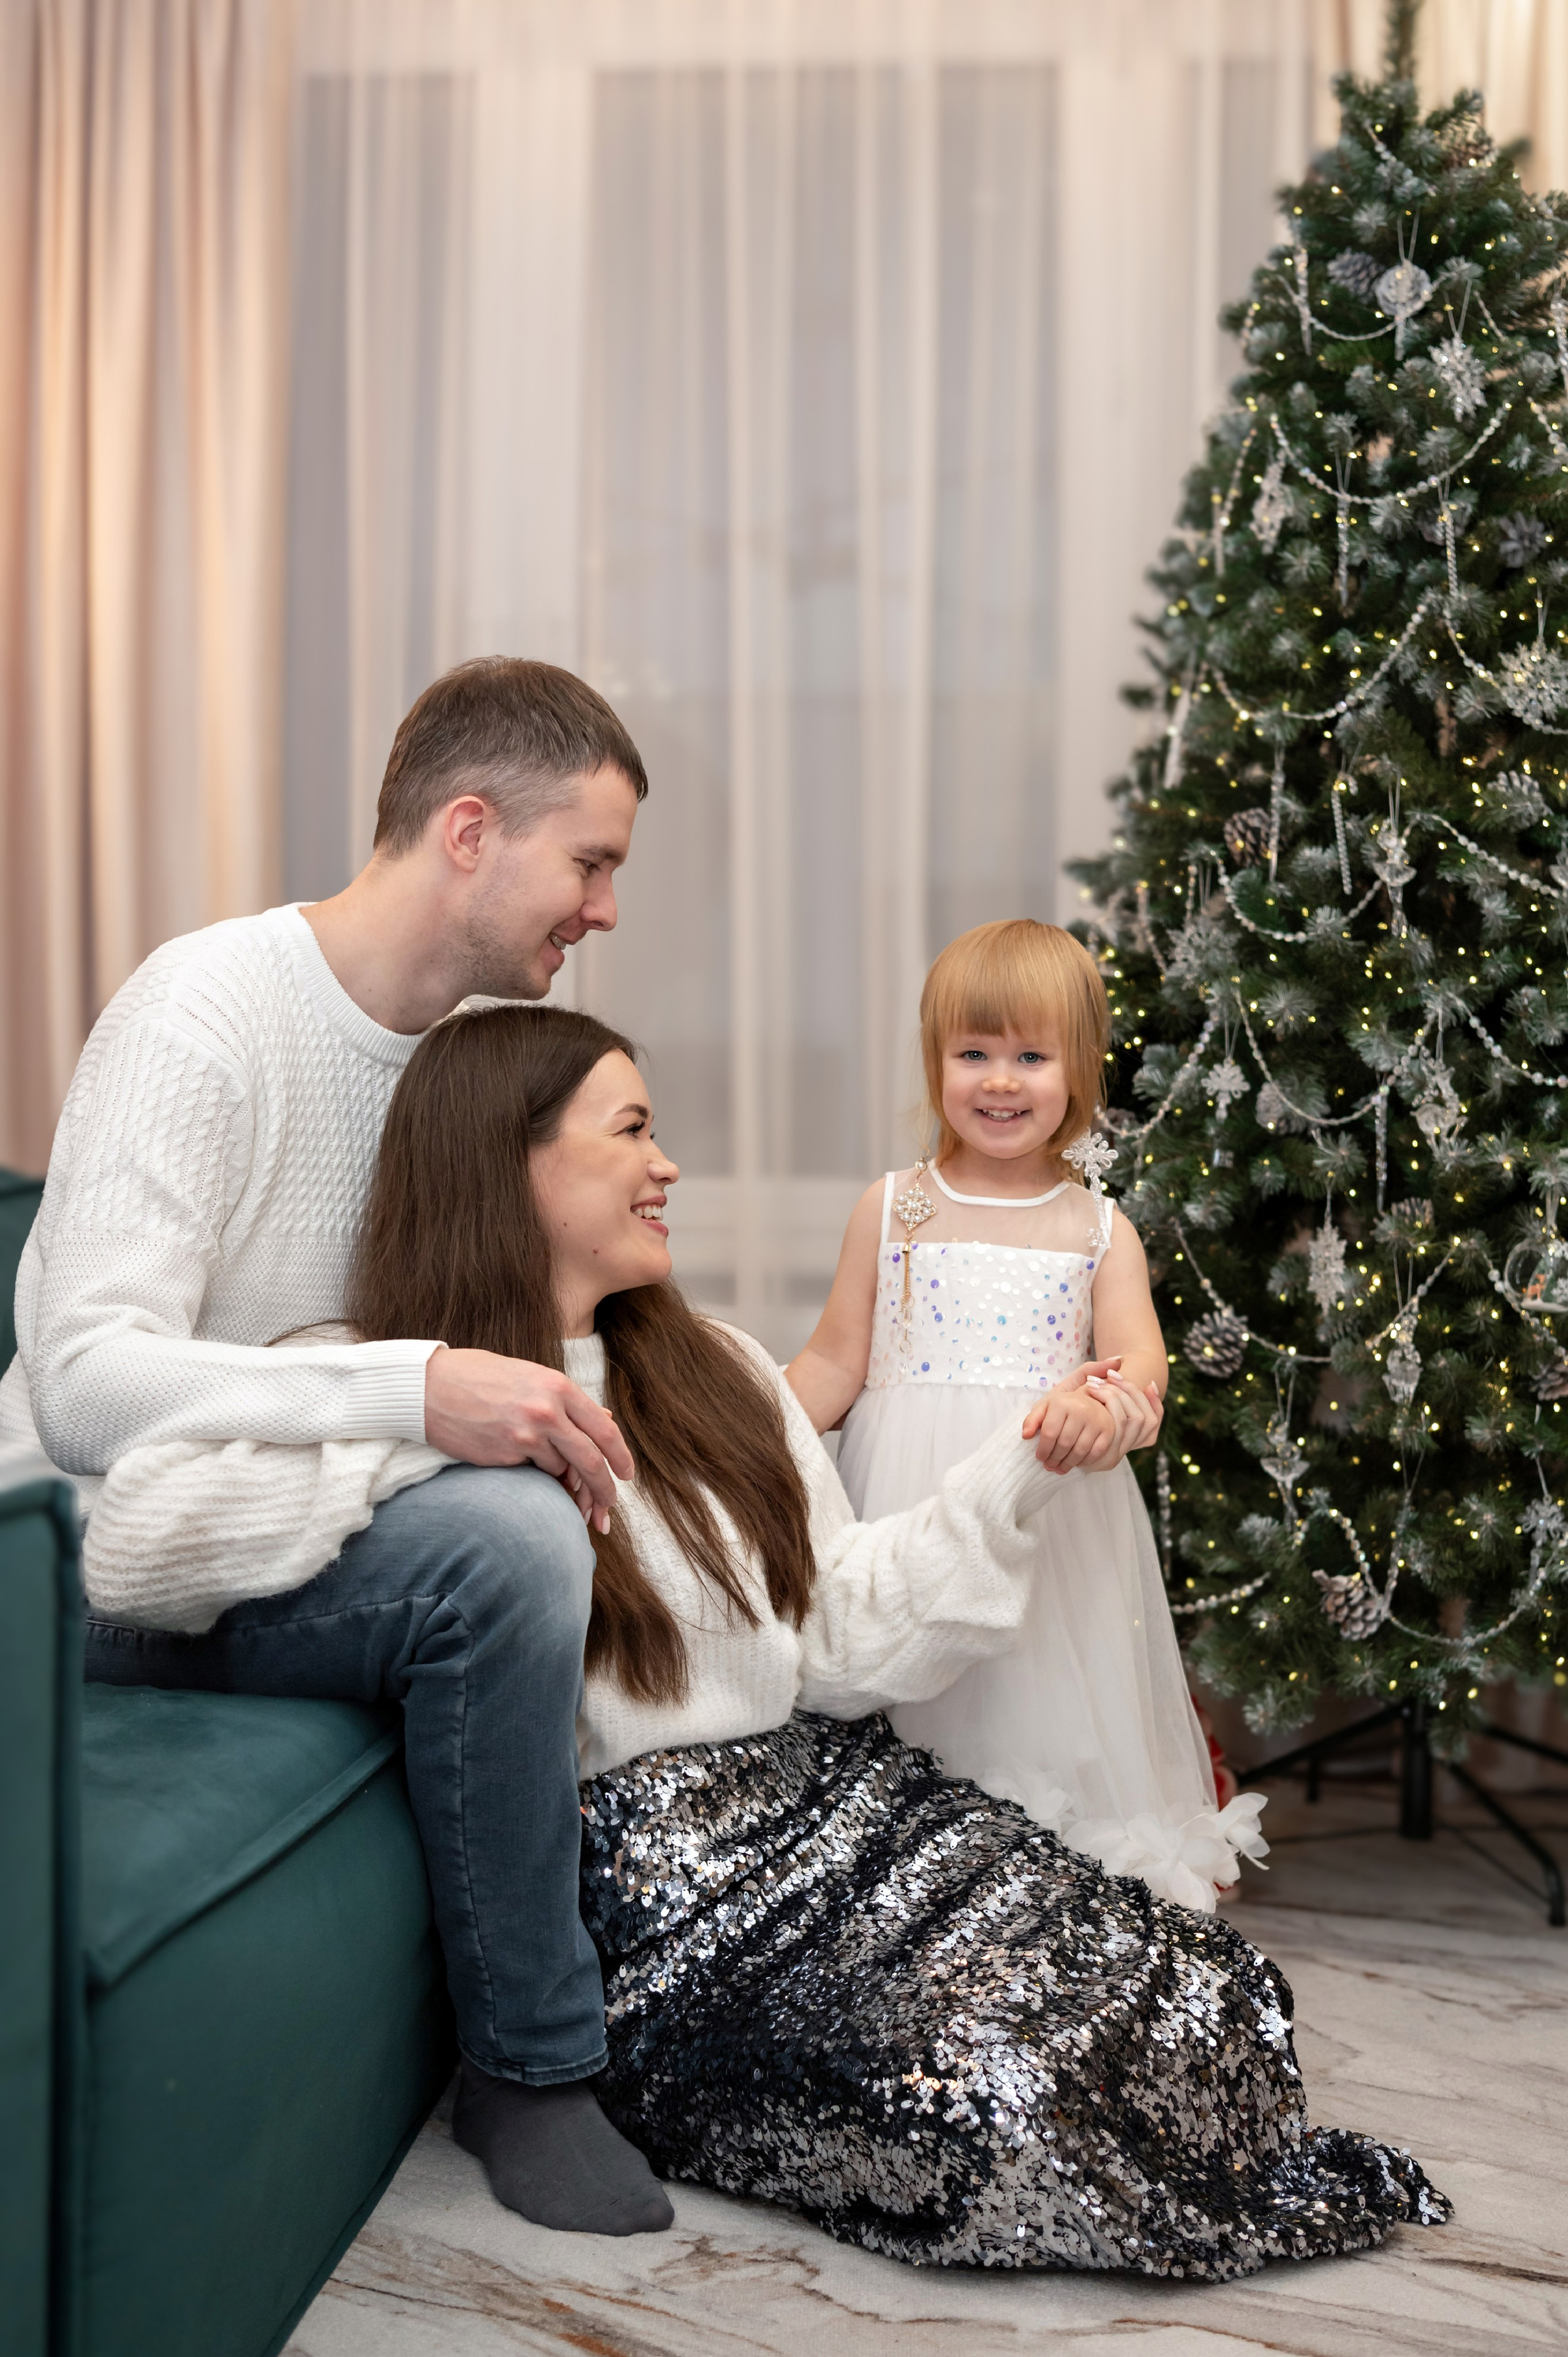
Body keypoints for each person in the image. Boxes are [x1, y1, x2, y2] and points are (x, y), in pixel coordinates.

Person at [72, 1005, 1449, 2273]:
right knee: (1008, 2110)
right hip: (669, 1895)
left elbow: (841, 1632)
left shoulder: (715, 1367)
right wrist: (418, 1414)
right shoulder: (360, 1368)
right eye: (630, 1131)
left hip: (835, 1797)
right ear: (510, 1163)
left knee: (1209, 1999)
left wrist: (1019, 1465)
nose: (668, 1165)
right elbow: (141, 1547)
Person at [0, 658, 676, 2238]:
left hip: (275, 1517)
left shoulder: (456, 1062)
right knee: (504, 1543)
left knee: (546, 1494)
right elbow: (86, 1380)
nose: (604, 910)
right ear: (466, 830)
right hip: (96, 1550)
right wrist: (411, 1392)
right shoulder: (205, 1012)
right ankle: (532, 2069)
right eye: (591, 862)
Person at [785, 920, 1266, 1907]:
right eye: (974, 1054)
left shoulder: (1098, 1227)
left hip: (1048, 1515)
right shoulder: (893, 1209)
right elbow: (835, 1362)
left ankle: (1046, 1905)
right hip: (908, 1503)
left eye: (1031, 1057)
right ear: (937, 1062)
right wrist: (736, 1438)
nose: (1000, 1082)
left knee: (1037, 1705)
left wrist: (1105, 1407)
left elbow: (1143, 1373)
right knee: (917, 1688)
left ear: (1078, 1069)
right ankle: (917, 1893)